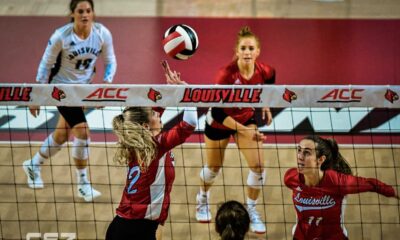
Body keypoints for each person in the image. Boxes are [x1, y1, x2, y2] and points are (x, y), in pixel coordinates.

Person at [23, 0, 117, 202]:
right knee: (82, 131)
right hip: (61, 89)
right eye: (80, 11)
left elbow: (110, 61)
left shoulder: (102, 34)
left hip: (83, 90)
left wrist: (106, 85)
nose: (85, 15)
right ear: (72, 14)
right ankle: (83, 184)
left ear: (93, 13)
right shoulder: (61, 36)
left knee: (62, 135)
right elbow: (45, 65)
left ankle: (33, 164)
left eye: (88, 11)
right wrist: (37, 95)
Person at [193, 26, 275, 234]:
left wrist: (265, 103)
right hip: (219, 122)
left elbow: (270, 84)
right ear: (236, 51)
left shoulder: (265, 70)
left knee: (258, 166)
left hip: (245, 118)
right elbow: (219, 114)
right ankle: (202, 198)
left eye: (251, 48)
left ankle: (251, 209)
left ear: (258, 51)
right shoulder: (226, 75)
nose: (247, 52)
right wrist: (246, 132)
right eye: (243, 48)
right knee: (213, 169)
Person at [105, 67, 198, 240]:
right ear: (146, 127)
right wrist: (186, 91)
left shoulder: (136, 142)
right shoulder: (157, 145)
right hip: (136, 231)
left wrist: (170, 89)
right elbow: (190, 123)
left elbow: (154, 110)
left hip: (125, 226)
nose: (159, 113)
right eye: (155, 114)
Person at [284, 135, 399, 240]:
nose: (300, 156)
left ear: (320, 160)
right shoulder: (291, 178)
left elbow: (372, 184)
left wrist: (394, 192)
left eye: (307, 153)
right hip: (302, 236)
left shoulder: (338, 182)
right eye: (299, 150)